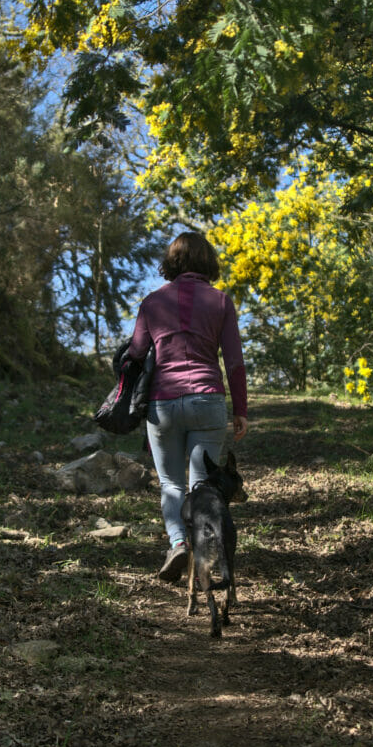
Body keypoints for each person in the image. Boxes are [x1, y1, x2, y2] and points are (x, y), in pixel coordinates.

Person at [127, 231, 249, 583]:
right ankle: (207, 558)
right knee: (202, 488)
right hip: (207, 399)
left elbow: (135, 353)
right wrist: (241, 409)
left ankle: (178, 543)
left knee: (169, 483)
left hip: (162, 404)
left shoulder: (151, 303)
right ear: (207, 262)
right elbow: (234, 361)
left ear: (172, 263)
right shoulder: (220, 301)